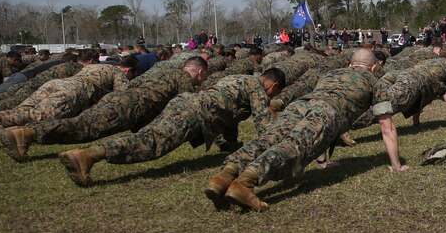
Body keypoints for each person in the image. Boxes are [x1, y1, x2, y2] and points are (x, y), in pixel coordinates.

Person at [204, 49, 407, 212]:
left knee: (267, 138)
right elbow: (386, 126)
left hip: (301, 104)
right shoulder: (374, 82)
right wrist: (396, 165)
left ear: (350, 65)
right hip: (327, 111)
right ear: (373, 67)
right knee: (293, 145)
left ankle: (224, 177)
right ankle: (246, 182)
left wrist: (323, 162)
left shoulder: (331, 74)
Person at [58, 69, 286, 187]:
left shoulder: (238, 79)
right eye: (274, 94)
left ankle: (90, 155)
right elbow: (263, 124)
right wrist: (279, 144)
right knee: (151, 143)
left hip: (184, 102)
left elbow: (228, 116)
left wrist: (232, 144)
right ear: (273, 86)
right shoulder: (257, 87)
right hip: (194, 113)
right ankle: (89, 156)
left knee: (149, 135)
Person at [0, 56, 209, 162]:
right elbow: (184, 105)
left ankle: (26, 134)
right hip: (128, 107)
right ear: (199, 72)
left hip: (119, 99)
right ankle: (27, 133)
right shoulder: (183, 80)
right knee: (83, 129)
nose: (204, 80)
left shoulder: (167, 73)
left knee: (81, 124)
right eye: (205, 76)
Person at [0, 56, 138, 146]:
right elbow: (122, 96)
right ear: (128, 70)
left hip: (57, 83)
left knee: (20, 110)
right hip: (72, 92)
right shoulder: (119, 73)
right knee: (35, 116)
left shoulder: (97, 67)